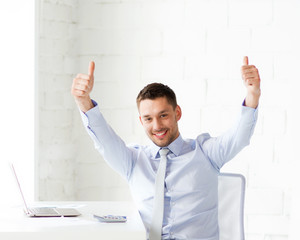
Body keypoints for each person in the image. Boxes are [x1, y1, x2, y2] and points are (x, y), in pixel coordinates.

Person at [71, 56, 260, 240]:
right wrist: (84, 101)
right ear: (141, 121)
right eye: (148, 119)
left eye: (163, 115)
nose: (157, 126)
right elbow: (104, 141)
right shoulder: (133, 161)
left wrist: (252, 95)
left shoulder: (205, 153)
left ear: (177, 113)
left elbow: (239, 137)